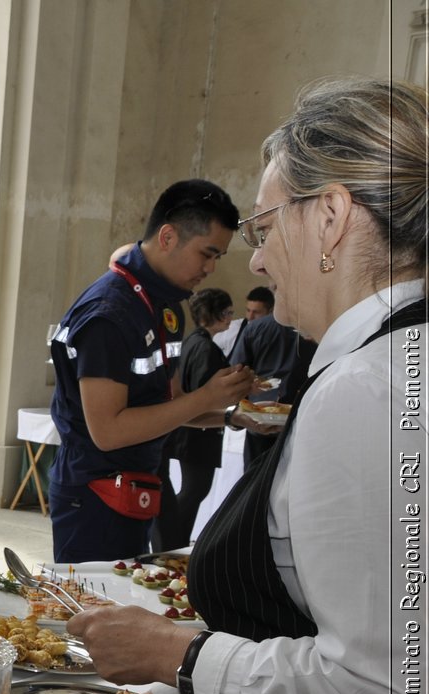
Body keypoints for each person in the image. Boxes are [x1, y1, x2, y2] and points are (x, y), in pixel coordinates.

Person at [69, 77, 427, 694]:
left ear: (333, 216)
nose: (257, 256)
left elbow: (391, 692)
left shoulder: (367, 388)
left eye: (267, 223)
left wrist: (175, 653)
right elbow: (351, 617)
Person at [48, 179, 256, 562]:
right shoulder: (109, 314)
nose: (210, 268)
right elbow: (109, 431)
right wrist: (207, 396)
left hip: (136, 487)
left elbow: (168, 406)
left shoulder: (165, 308)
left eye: (218, 258)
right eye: (206, 253)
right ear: (167, 237)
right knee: (94, 611)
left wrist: (231, 416)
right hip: (95, 493)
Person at [155, 288, 234, 549]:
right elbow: (204, 396)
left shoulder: (191, 341)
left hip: (187, 430)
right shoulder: (205, 347)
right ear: (218, 314)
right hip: (197, 432)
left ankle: (173, 543)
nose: (232, 318)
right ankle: (174, 545)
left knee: (191, 492)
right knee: (194, 491)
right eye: (229, 312)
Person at [230, 300, 319, 466]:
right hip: (299, 413)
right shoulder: (316, 329)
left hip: (259, 414)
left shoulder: (254, 328)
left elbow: (237, 370)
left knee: (255, 477)